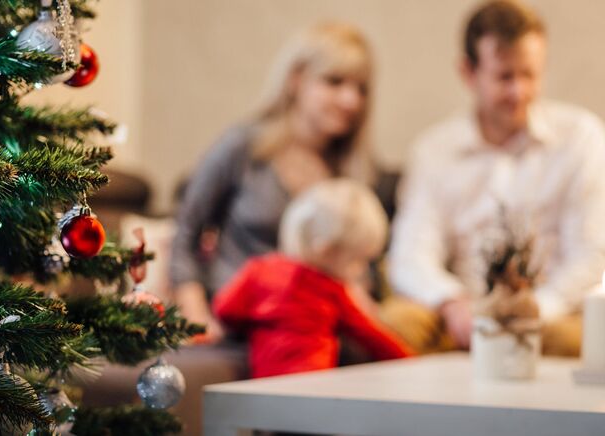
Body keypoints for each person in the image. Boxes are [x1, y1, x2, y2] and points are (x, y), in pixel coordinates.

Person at [387, 0, 605, 356]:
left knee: (585, 340)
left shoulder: (581, 137)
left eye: (529, 75)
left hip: (550, 317)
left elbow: (592, 255)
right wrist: (452, 303)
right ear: (468, 72)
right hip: (459, 316)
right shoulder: (433, 150)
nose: (519, 92)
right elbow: (411, 254)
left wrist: (534, 309)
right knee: (396, 323)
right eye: (504, 76)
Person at [169, 22, 377, 343]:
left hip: (314, 325)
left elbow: (359, 266)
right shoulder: (243, 146)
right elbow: (186, 231)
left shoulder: (350, 172)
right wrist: (197, 317)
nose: (351, 100)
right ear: (296, 80)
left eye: (361, 88)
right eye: (334, 82)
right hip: (240, 319)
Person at [213, 180, 413, 378]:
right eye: (358, 261)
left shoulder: (259, 269)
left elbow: (225, 309)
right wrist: (412, 364)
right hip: (314, 383)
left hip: (266, 385)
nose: (361, 272)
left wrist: (252, 327)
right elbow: (372, 336)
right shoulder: (333, 289)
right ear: (327, 251)